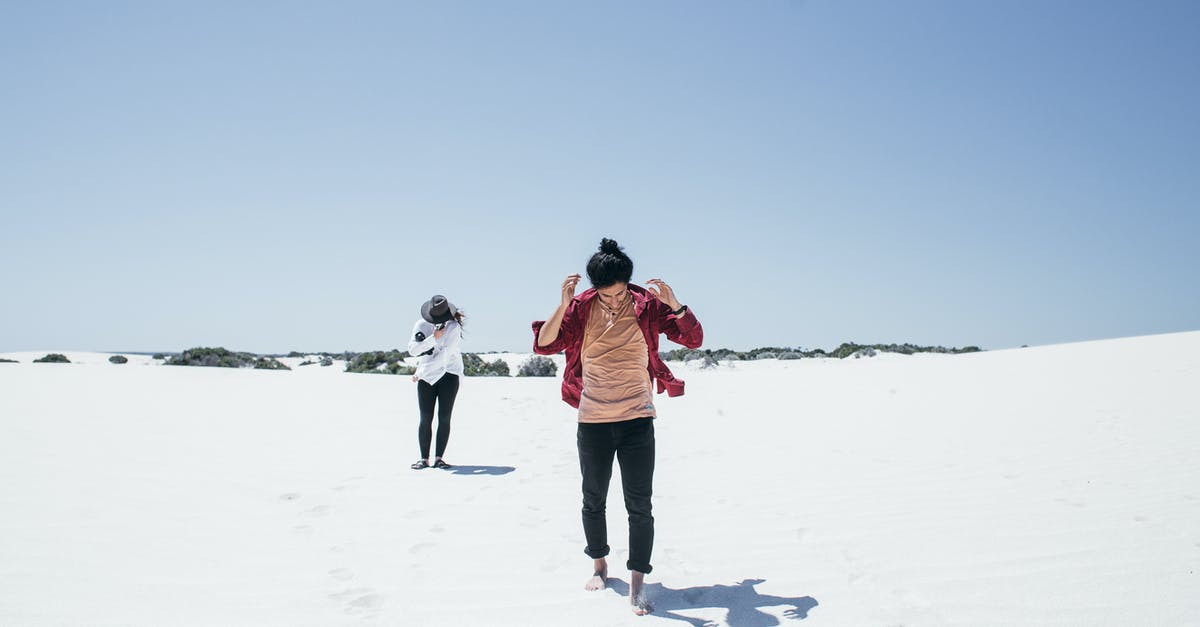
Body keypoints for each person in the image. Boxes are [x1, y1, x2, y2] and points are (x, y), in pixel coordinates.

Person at [531, 238, 703, 616]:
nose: (612, 301)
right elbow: (544, 345)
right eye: (605, 295)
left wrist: (676, 305)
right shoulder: (580, 307)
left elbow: (693, 339)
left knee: (639, 504)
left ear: (628, 283)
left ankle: (637, 582)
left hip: (637, 417)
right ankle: (599, 564)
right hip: (592, 418)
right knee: (593, 499)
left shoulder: (648, 305)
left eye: (619, 293)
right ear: (595, 289)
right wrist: (562, 305)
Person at [407, 294, 464, 470]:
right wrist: (433, 338)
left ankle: (439, 458)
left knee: (444, 417)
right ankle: (424, 459)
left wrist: (420, 371)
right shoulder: (421, 325)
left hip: (449, 374)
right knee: (425, 417)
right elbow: (413, 350)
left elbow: (445, 356)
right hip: (427, 378)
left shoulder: (454, 327)